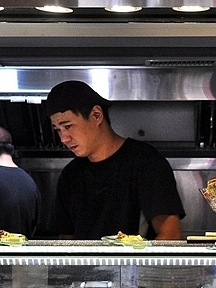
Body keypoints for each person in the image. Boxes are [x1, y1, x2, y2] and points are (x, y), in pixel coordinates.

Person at [44, 80, 185, 240]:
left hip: (133, 257)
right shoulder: (70, 175)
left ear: (96, 115)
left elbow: (170, 235)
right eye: (58, 130)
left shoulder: (146, 163)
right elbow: (66, 241)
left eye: (68, 126)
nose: (64, 138)